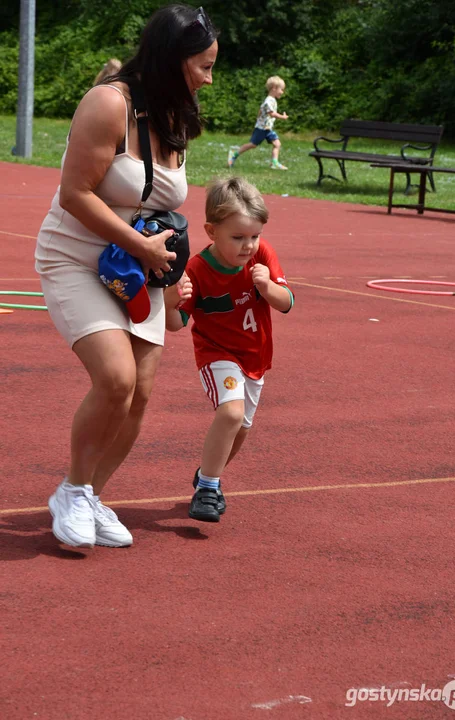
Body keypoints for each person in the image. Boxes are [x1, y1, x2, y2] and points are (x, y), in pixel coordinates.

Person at [34, 5, 218, 549]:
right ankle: (70, 490)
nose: (209, 78)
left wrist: (172, 266)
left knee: (139, 395)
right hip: (78, 257)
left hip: (141, 271)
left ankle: (89, 493)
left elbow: (162, 203)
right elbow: (74, 194)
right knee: (116, 379)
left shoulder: (176, 114)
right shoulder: (109, 103)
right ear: (172, 58)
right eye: (203, 66)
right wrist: (139, 244)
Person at [164, 177, 294, 522]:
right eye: (238, 237)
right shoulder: (196, 268)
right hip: (217, 352)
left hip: (256, 356)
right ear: (211, 231)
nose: (248, 245)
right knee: (231, 414)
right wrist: (169, 300)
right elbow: (175, 324)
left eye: (255, 235)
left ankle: (208, 474)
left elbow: (286, 303)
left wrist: (267, 287)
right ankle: (208, 487)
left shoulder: (262, 256)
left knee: (241, 428)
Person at [227, 76, 289, 171]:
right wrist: (282, 117)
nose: (282, 92)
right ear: (274, 88)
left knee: (277, 144)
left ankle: (274, 163)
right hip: (262, 129)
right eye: (281, 89)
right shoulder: (269, 100)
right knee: (253, 145)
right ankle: (234, 153)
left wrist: (259, 117)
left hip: (268, 128)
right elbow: (271, 114)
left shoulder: (272, 100)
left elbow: (260, 110)